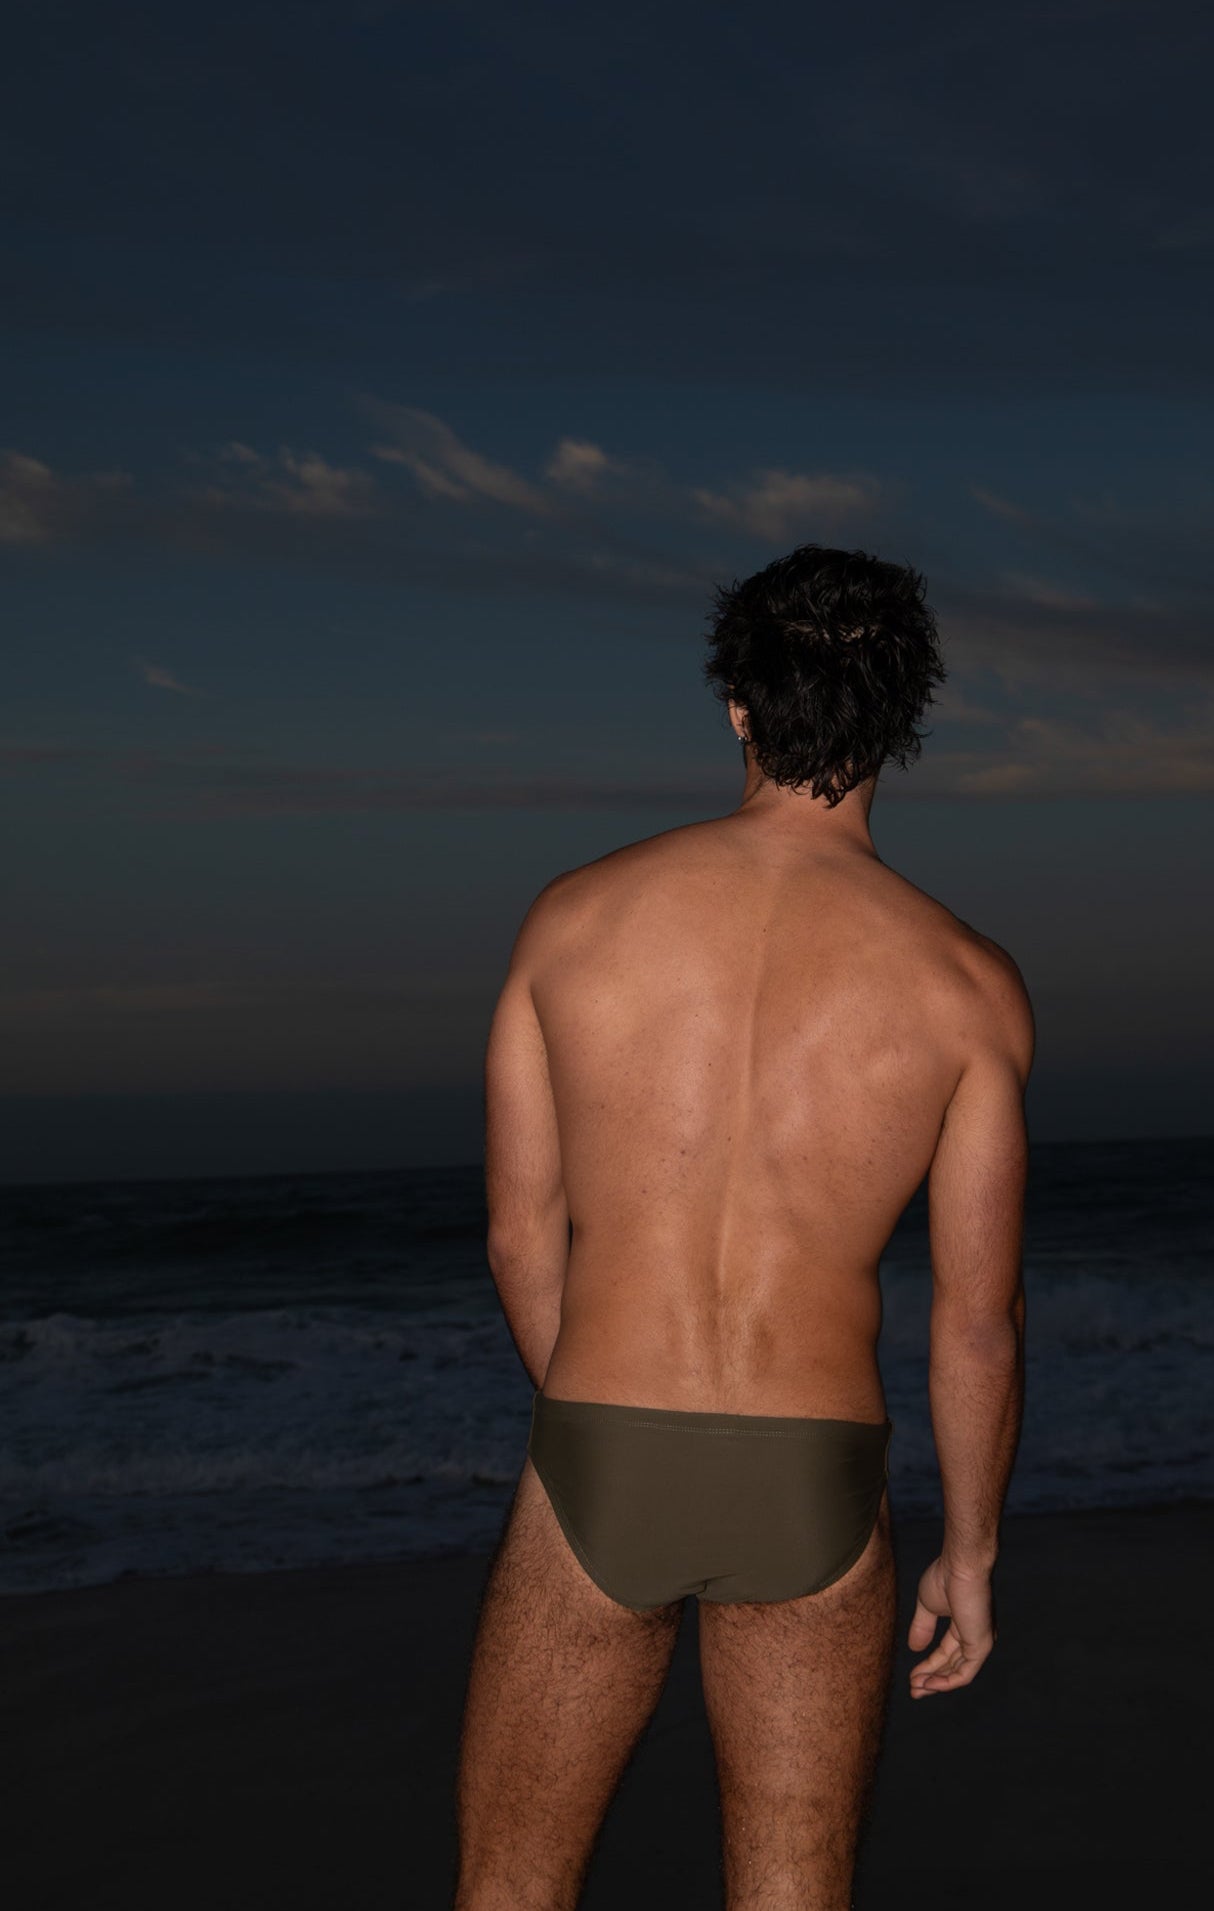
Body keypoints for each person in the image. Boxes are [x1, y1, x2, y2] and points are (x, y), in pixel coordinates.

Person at [454, 544, 1033, 1909]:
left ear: (736, 706)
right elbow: (976, 1318)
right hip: (813, 1478)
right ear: (903, 717)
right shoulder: (964, 984)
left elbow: (518, 1237)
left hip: (601, 1436)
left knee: (509, 1894)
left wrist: (608, 1425)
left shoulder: (573, 920)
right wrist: (972, 1546)